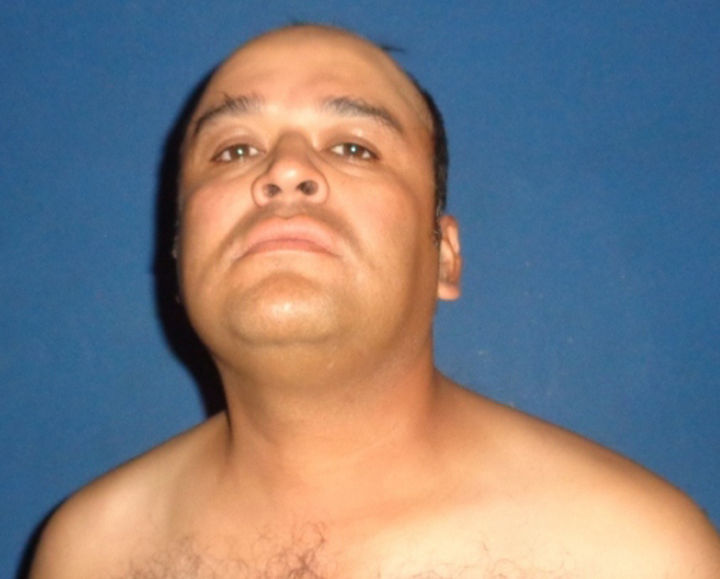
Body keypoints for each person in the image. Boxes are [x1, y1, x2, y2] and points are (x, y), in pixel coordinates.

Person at [30, 24, 720, 578]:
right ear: (180, 253)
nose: (286, 169)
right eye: (234, 150)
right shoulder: (88, 554)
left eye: (354, 147)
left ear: (444, 256)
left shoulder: (638, 555)